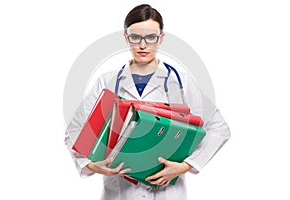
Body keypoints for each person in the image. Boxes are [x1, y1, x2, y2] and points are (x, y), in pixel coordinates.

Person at [65, 4, 231, 200]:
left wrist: (185, 166)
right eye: (135, 37)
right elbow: (74, 132)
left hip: (168, 193)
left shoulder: (181, 82)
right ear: (126, 37)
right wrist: (93, 166)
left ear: (161, 38)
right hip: (120, 192)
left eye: (151, 37)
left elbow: (219, 128)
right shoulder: (108, 82)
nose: (143, 45)